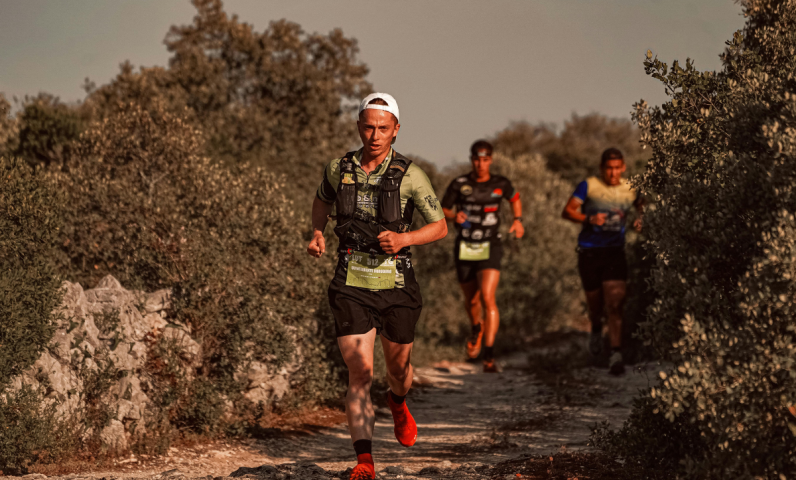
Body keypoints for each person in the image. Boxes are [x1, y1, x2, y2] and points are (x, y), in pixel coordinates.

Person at [307, 93, 447, 480]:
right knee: (361, 371)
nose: (375, 134)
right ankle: (364, 461)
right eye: (368, 126)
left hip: (397, 283)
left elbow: (440, 226)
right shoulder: (339, 168)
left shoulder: (411, 174)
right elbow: (322, 200)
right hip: (351, 280)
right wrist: (317, 232)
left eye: (383, 127)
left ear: (396, 130)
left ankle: (398, 402)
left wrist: (406, 239)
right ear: (358, 126)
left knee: (398, 368)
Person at [441, 140, 523, 373]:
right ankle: (476, 326)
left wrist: (518, 221)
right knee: (472, 301)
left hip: (490, 245)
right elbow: (443, 208)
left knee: (488, 297)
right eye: (477, 159)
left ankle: (489, 354)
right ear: (472, 160)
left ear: (491, 160)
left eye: (485, 159)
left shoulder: (501, 183)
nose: (481, 164)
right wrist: (452, 216)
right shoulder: (459, 184)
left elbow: (515, 197)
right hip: (466, 246)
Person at [561, 147, 643, 375]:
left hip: (615, 252)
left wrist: (641, 220)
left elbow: (642, 208)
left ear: (623, 168)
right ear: (602, 168)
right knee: (595, 306)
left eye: (617, 168)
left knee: (615, 305)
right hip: (589, 252)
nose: (613, 173)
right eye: (609, 168)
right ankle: (596, 327)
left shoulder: (630, 188)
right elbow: (567, 211)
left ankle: (616, 354)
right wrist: (588, 218)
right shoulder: (589, 186)